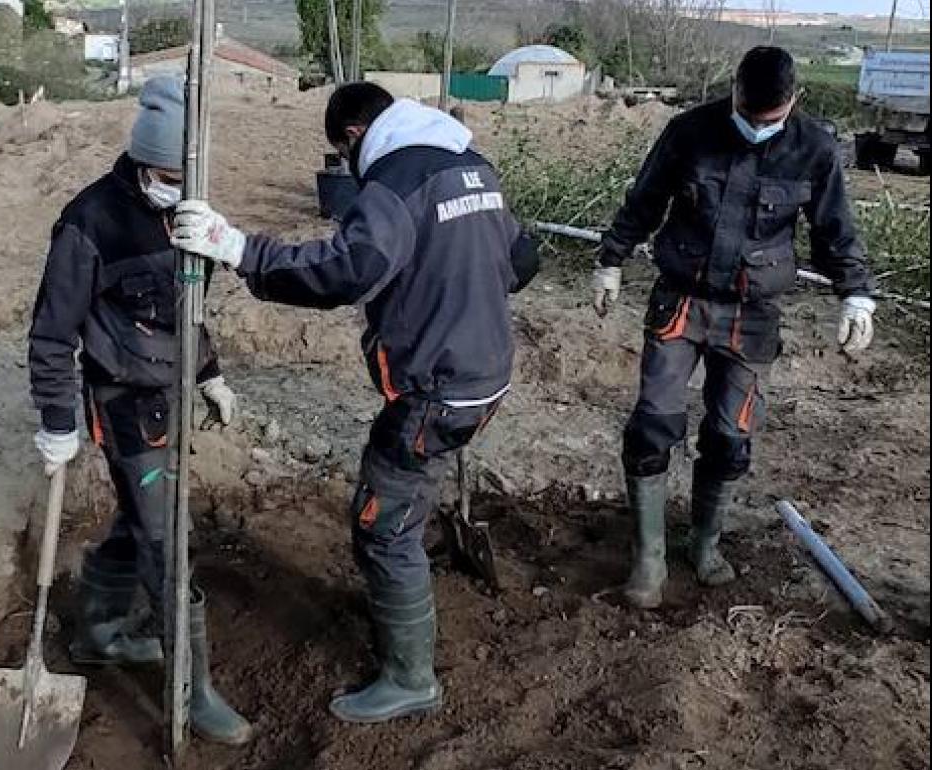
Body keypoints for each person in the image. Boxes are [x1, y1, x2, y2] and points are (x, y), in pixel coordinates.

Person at [170, 82, 539, 724]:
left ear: (350, 137)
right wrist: (452, 283)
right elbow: (522, 259)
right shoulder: (471, 165)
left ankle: (410, 677)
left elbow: (347, 270)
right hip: (489, 373)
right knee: (407, 480)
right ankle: (407, 610)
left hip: (438, 390)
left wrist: (238, 248)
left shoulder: (393, 183)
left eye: (342, 157)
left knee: (381, 520)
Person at [590, 47, 876, 609]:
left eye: (771, 119)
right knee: (653, 422)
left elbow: (834, 227)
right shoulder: (690, 131)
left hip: (753, 313)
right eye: (749, 112)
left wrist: (857, 295)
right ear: (735, 92)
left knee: (729, 433)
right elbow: (645, 198)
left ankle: (704, 541)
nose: (757, 126)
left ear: (793, 102)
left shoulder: (813, 147)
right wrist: (610, 259)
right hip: (682, 299)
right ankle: (649, 558)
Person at [27, 76, 251, 745]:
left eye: (187, 175)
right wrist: (58, 421)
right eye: (166, 175)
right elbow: (50, 333)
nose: (177, 185)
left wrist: (208, 373)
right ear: (143, 163)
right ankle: (195, 691)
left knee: (142, 513)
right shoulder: (89, 223)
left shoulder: (189, 207)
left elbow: (185, 308)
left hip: (170, 388)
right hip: (123, 400)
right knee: (167, 539)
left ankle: (97, 630)